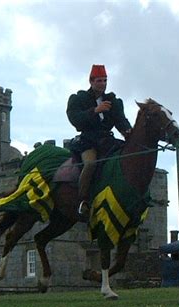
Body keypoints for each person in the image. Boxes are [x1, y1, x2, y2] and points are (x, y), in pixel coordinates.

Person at [66, 64, 132, 222]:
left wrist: (129, 133)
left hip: (107, 141)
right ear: (91, 81)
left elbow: (121, 121)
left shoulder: (113, 101)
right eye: (99, 80)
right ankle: (83, 201)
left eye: (105, 80)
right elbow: (76, 120)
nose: (103, 84)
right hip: (88, 141)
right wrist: (95, 111)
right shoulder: (79, 99)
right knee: (91, 163)